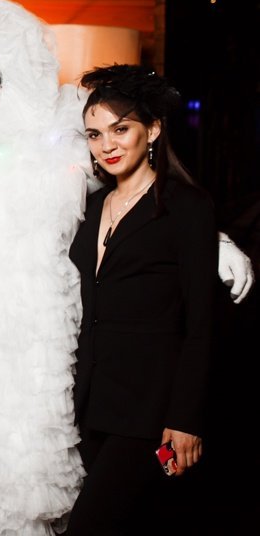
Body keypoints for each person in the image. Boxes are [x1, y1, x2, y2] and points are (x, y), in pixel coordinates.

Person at [0, 0, 253, 536]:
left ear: (9, 83)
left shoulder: (56, 153)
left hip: (39, 358)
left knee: (39, 501)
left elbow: (144, 199)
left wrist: (213, 241)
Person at [65, 65, 217, 534]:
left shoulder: (186, 207)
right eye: (94, 134)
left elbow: (202, 324)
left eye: (120, 129)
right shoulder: (89, 208)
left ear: (151, 130)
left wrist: (185, 419)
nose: (106, 145)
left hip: (151, 411)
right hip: (91, 404)